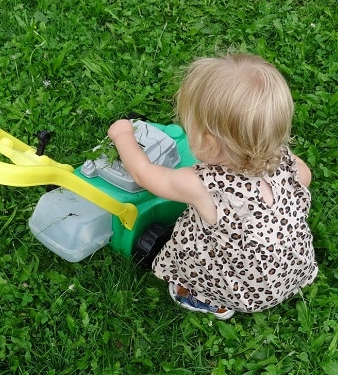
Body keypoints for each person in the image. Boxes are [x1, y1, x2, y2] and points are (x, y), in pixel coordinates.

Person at [107, 53, 317, 319]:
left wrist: (122, 134)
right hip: (291, 270)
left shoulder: (202, 184)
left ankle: (206, 298)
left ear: (209, 143)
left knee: (192, 254)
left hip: (244, 290)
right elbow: (305, 179)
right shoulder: (288, 161)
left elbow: (143, 174)